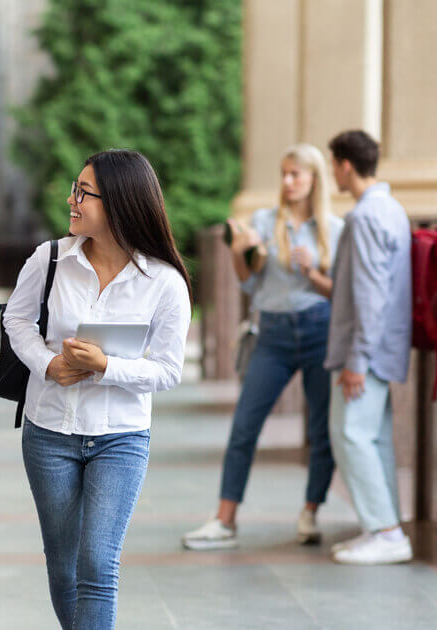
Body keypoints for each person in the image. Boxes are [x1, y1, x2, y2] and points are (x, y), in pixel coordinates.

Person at [3, 150, 191, 630]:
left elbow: (169, 370)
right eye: (75, 187)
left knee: (97, 566)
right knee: (64, 567)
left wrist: (107, 367)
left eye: (83, 193)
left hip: (121, 437)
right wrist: (48, 365)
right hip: (48, 433)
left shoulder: (165, 283)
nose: (71, 199)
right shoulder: (48, 259)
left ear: (121, 204)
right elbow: (17, 321)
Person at [182, 144, 344, 551]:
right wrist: (239, 252)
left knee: (320, 428)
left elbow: (340, 293)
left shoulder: (334, 228)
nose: (288, 182)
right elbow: (249, 283)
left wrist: (311, 272)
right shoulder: (263, 221)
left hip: (318, 331)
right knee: (244, 426)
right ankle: (225, 520)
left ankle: (310, 512)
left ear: (314, 180)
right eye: (284, 174)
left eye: (297, 175)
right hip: (271, 334)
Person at [324, 130, 413, 565]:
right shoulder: (391, 209)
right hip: (384, 348)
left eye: (332, 164)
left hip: (365, 353)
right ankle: (383, 527)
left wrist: (356, 360)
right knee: (373, 439)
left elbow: (370, 295)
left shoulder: (363, 217)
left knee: (351, 435)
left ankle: (387, 532)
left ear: (344, 165)